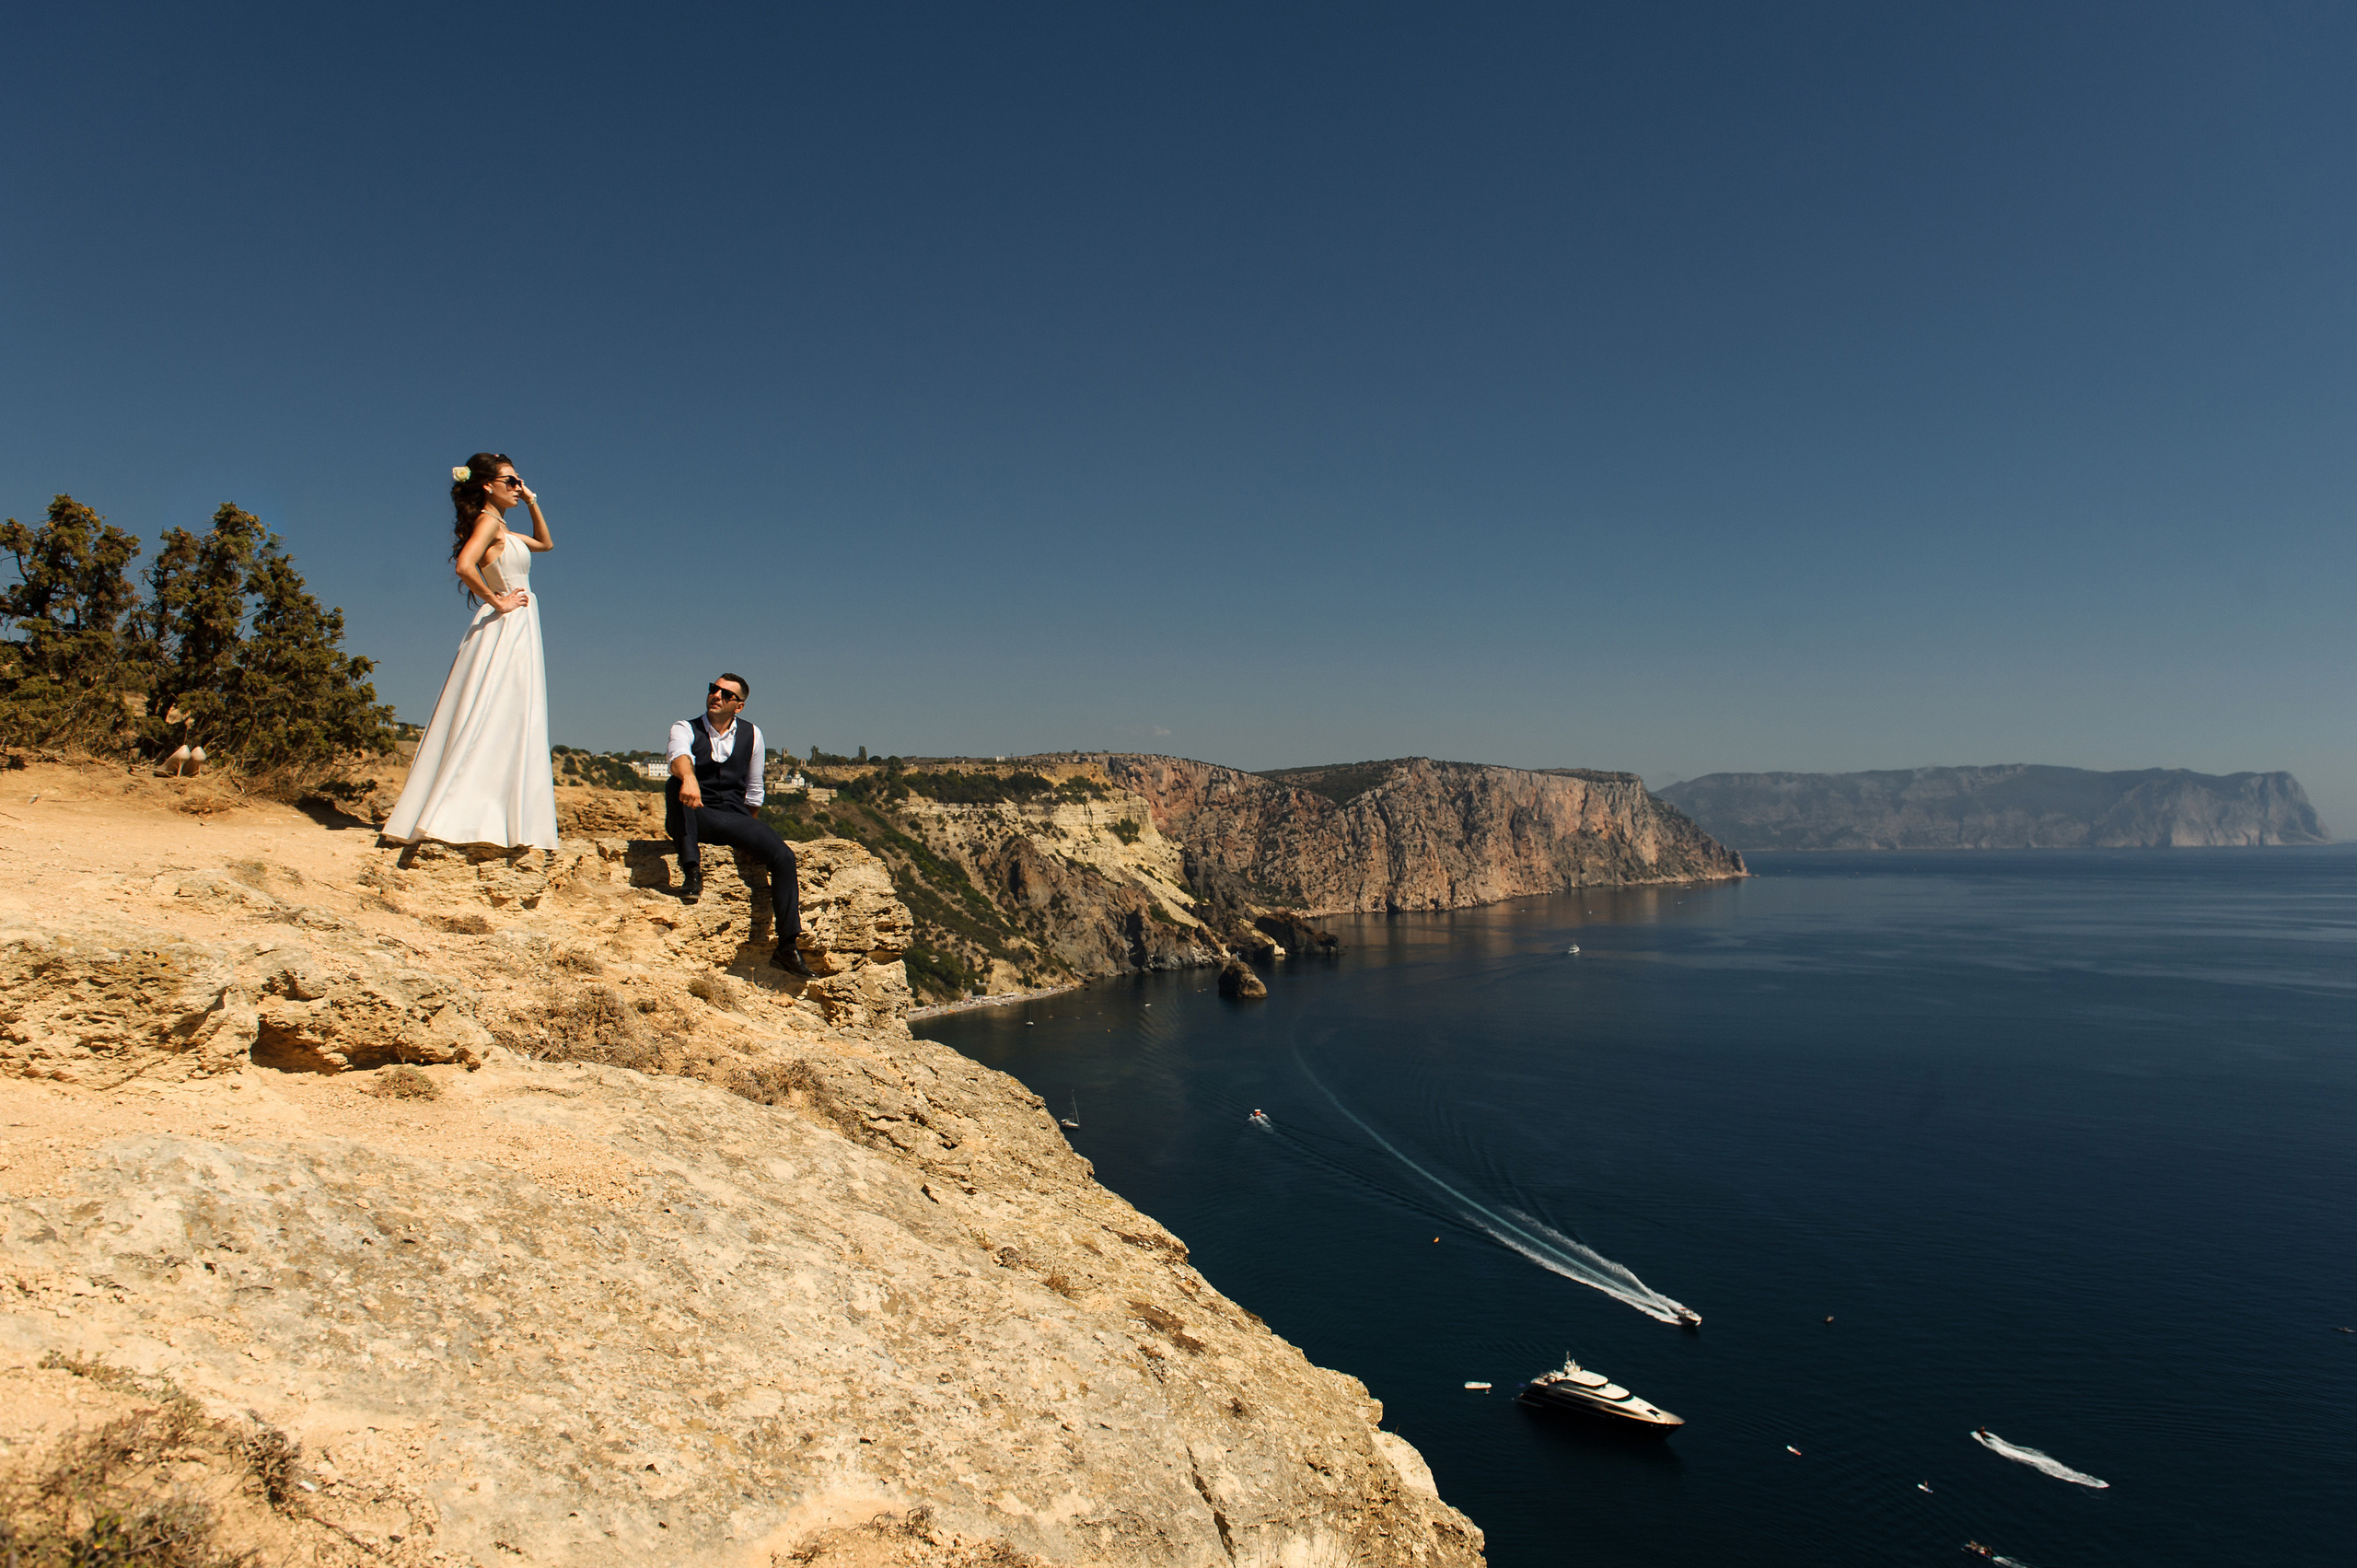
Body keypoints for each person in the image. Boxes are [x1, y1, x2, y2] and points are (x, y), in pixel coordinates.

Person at [383, 453, 559, 851]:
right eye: (510, 481)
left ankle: (497, 815)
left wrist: (531, 500)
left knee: (510, 711)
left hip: (520, 623)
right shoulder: (488, 522)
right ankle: (466, 815)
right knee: (495, 708)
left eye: (518, 481)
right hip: (507, 623)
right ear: (487, 485)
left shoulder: (504, 528)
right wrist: (499, 603)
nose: (517, 487)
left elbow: (546, 543)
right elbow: (465, 566)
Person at [666, 673, 812, 976]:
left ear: (739, 706)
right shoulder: (685, 728)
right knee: (673, 785)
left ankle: (787, 945)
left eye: (725, 694)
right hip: (696, 811)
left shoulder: (753, 734)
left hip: (734, 815)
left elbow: (755, 789)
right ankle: (692, 870)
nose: (716, 696)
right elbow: (678, 756)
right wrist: (689, 778)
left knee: (783, 856)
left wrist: (749, 832)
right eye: (713, 689)